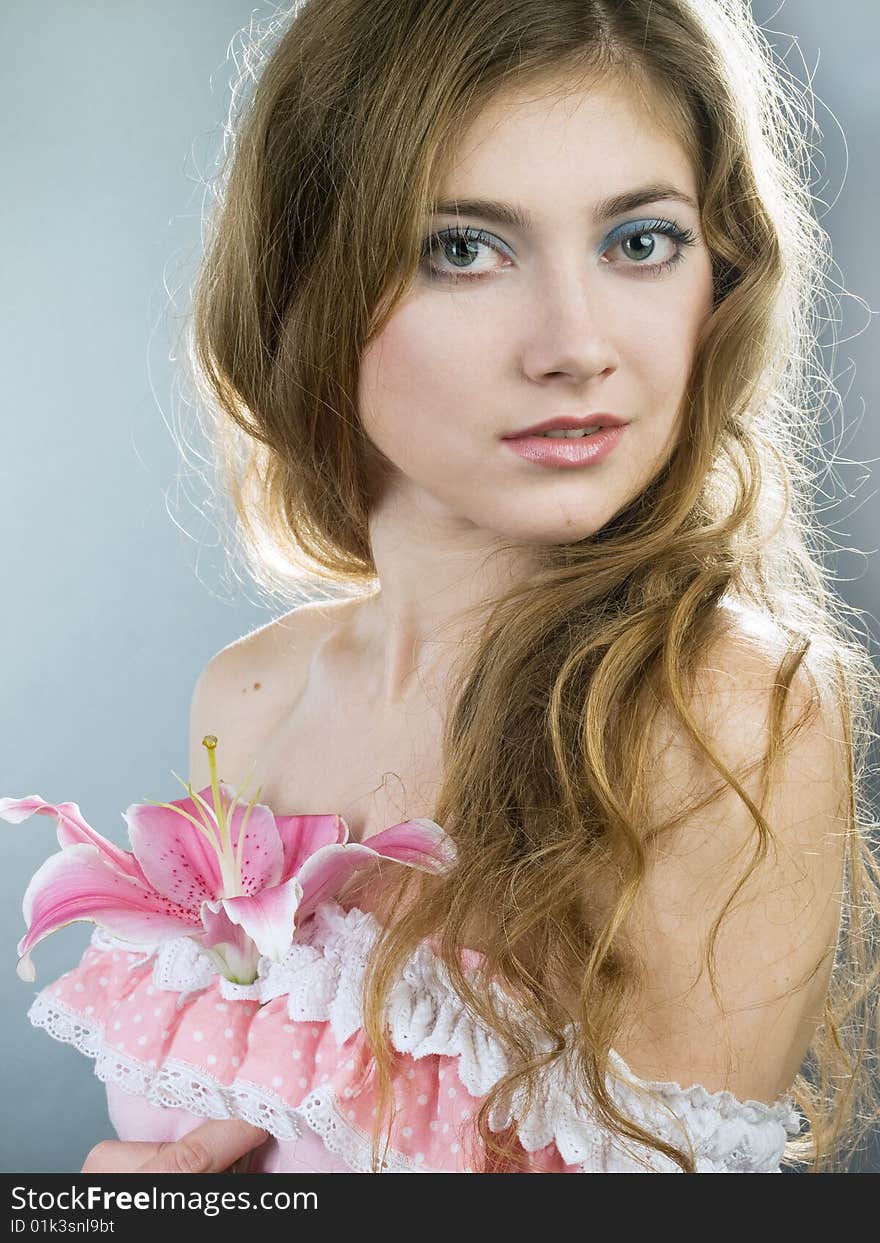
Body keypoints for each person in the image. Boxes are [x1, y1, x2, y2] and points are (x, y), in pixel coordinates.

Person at [33, 0, 880, 1174]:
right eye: (463, 248)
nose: (575, 344)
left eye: (639, 241)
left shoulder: (725, 709)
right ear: (305, 283)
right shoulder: (252, 694)